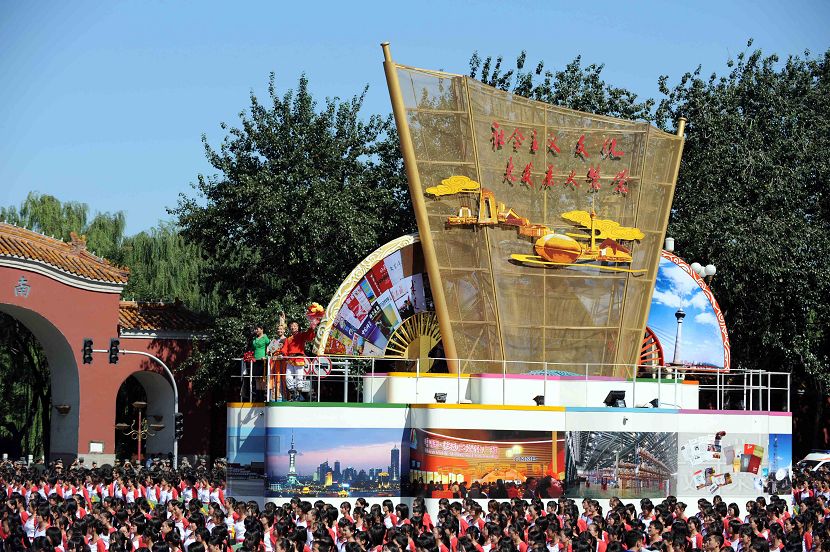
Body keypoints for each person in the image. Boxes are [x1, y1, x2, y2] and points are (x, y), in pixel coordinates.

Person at [279, 317, 320, 402]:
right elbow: (284, 349)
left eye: (295, 326)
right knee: (288, 377)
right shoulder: (288, 339)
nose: (293, 327)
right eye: (291, 326)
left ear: (298, 327)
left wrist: (312, 327)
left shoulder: (301, 335)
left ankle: (299, 396)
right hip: (290, 359)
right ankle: (294, 394)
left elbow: (309, 336)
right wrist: (282, 355)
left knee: (299, 377)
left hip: (299, 358)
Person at [250, 324, 270, 401]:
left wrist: (267, 356)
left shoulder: (265, 337)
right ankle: (258, 396)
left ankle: (262, 396)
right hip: (255, 360)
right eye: (255, 329)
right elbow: (253, 349)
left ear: (262, 329)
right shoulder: (255, 338)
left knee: (262, 378)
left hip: (262, 360)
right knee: (257, 378)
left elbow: (271, 347)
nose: (256, 331)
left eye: (257, 329)